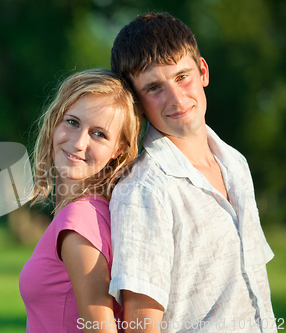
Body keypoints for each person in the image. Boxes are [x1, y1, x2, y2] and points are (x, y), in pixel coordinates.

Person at [108, 12, 277, 332]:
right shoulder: (144, 191)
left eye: (182, 76)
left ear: (202, 71)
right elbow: (140, 325)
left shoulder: (236, 164)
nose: (176, 98)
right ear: (137, 102)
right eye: (154, 87)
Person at [19, 68, 141, 332]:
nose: (78, 143)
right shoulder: (94, 212)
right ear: (54, 121)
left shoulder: (79, 221)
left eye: (99, 134)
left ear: (118, 150)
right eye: (72, 122)